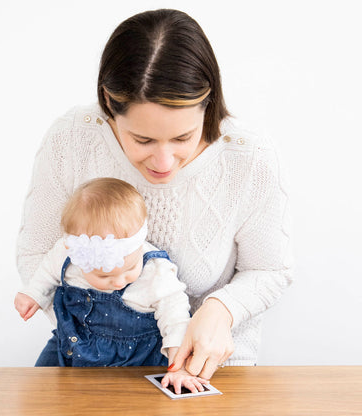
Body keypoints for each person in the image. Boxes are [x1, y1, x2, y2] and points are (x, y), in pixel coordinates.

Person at [16, 8, 293, 381]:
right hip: (88, 363)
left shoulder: (248, 157)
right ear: (109, 106)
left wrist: (222, 308)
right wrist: (99, 333)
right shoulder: (72, 140)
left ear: (207, 104)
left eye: (182, 138)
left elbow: (270, 269)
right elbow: (39, 253)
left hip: (207, 370)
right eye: (142, 139)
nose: (163, 162)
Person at [15, 178, 207, 393]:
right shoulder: (67, 252)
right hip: (70, 347)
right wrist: (33, 294)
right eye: (104, 276)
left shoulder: (156, 272)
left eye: (129, 269)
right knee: (38, 390)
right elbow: (47, 272)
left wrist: (179, 366)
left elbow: (176, 319)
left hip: (135, 360)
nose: (118, 281)